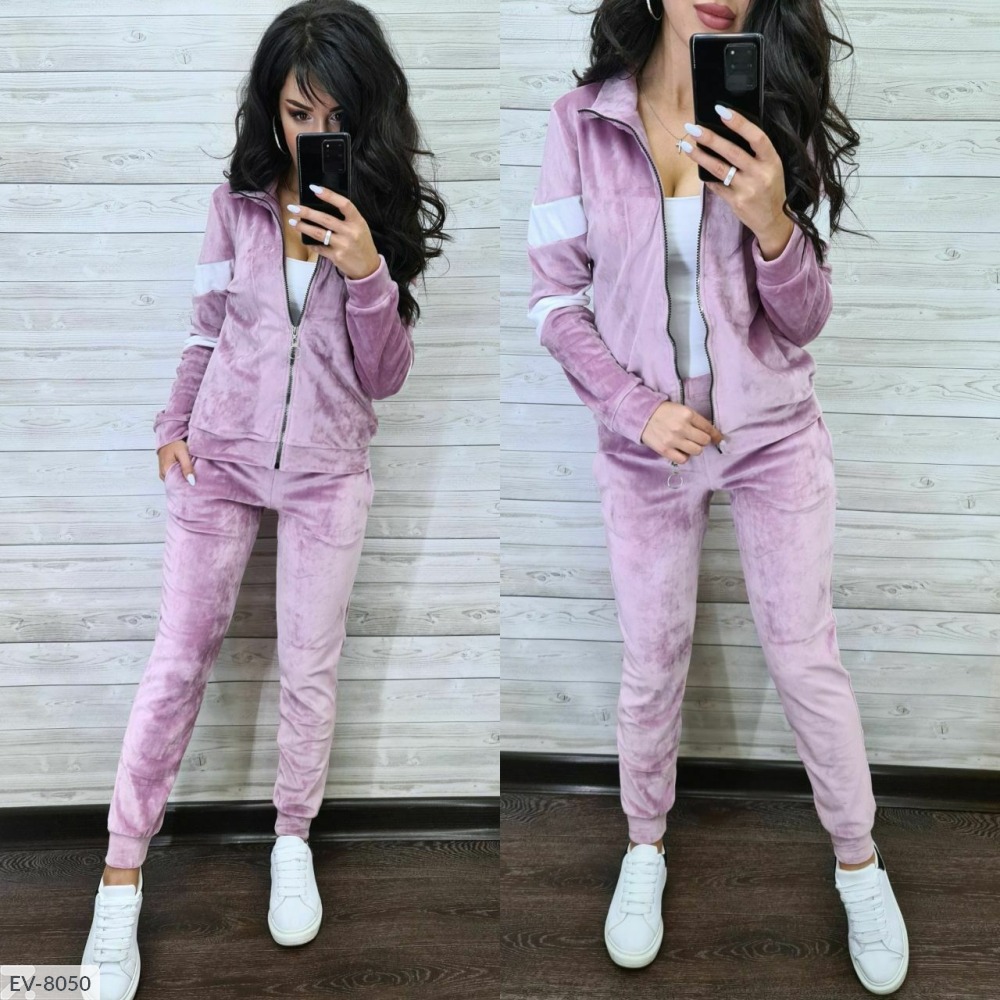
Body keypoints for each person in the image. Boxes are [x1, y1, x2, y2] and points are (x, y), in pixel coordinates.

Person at [526, 0, 907, 993]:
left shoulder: (774, 113)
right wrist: (635, 408)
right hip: (643, 445)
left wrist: (773, 219)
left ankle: (859, 864)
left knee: (805, 658)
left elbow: (805, 319)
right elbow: (554, 299)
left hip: (771, 436)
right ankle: (644, 845)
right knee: (651, 662)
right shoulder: (581, 124)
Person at [80, 2, 447, 997]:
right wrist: (173, 424)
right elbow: (206, 328)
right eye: (295, 112)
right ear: (270, 107)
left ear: (365, 115)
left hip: (330, 470)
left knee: (308, 669)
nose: (312, 134)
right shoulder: (234, 206)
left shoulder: (378, 217)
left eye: (334, 117)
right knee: (177, 662)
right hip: (221, 461)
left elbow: (385, 377)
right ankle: (119, 879)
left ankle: (292, 839)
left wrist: (366, 270)